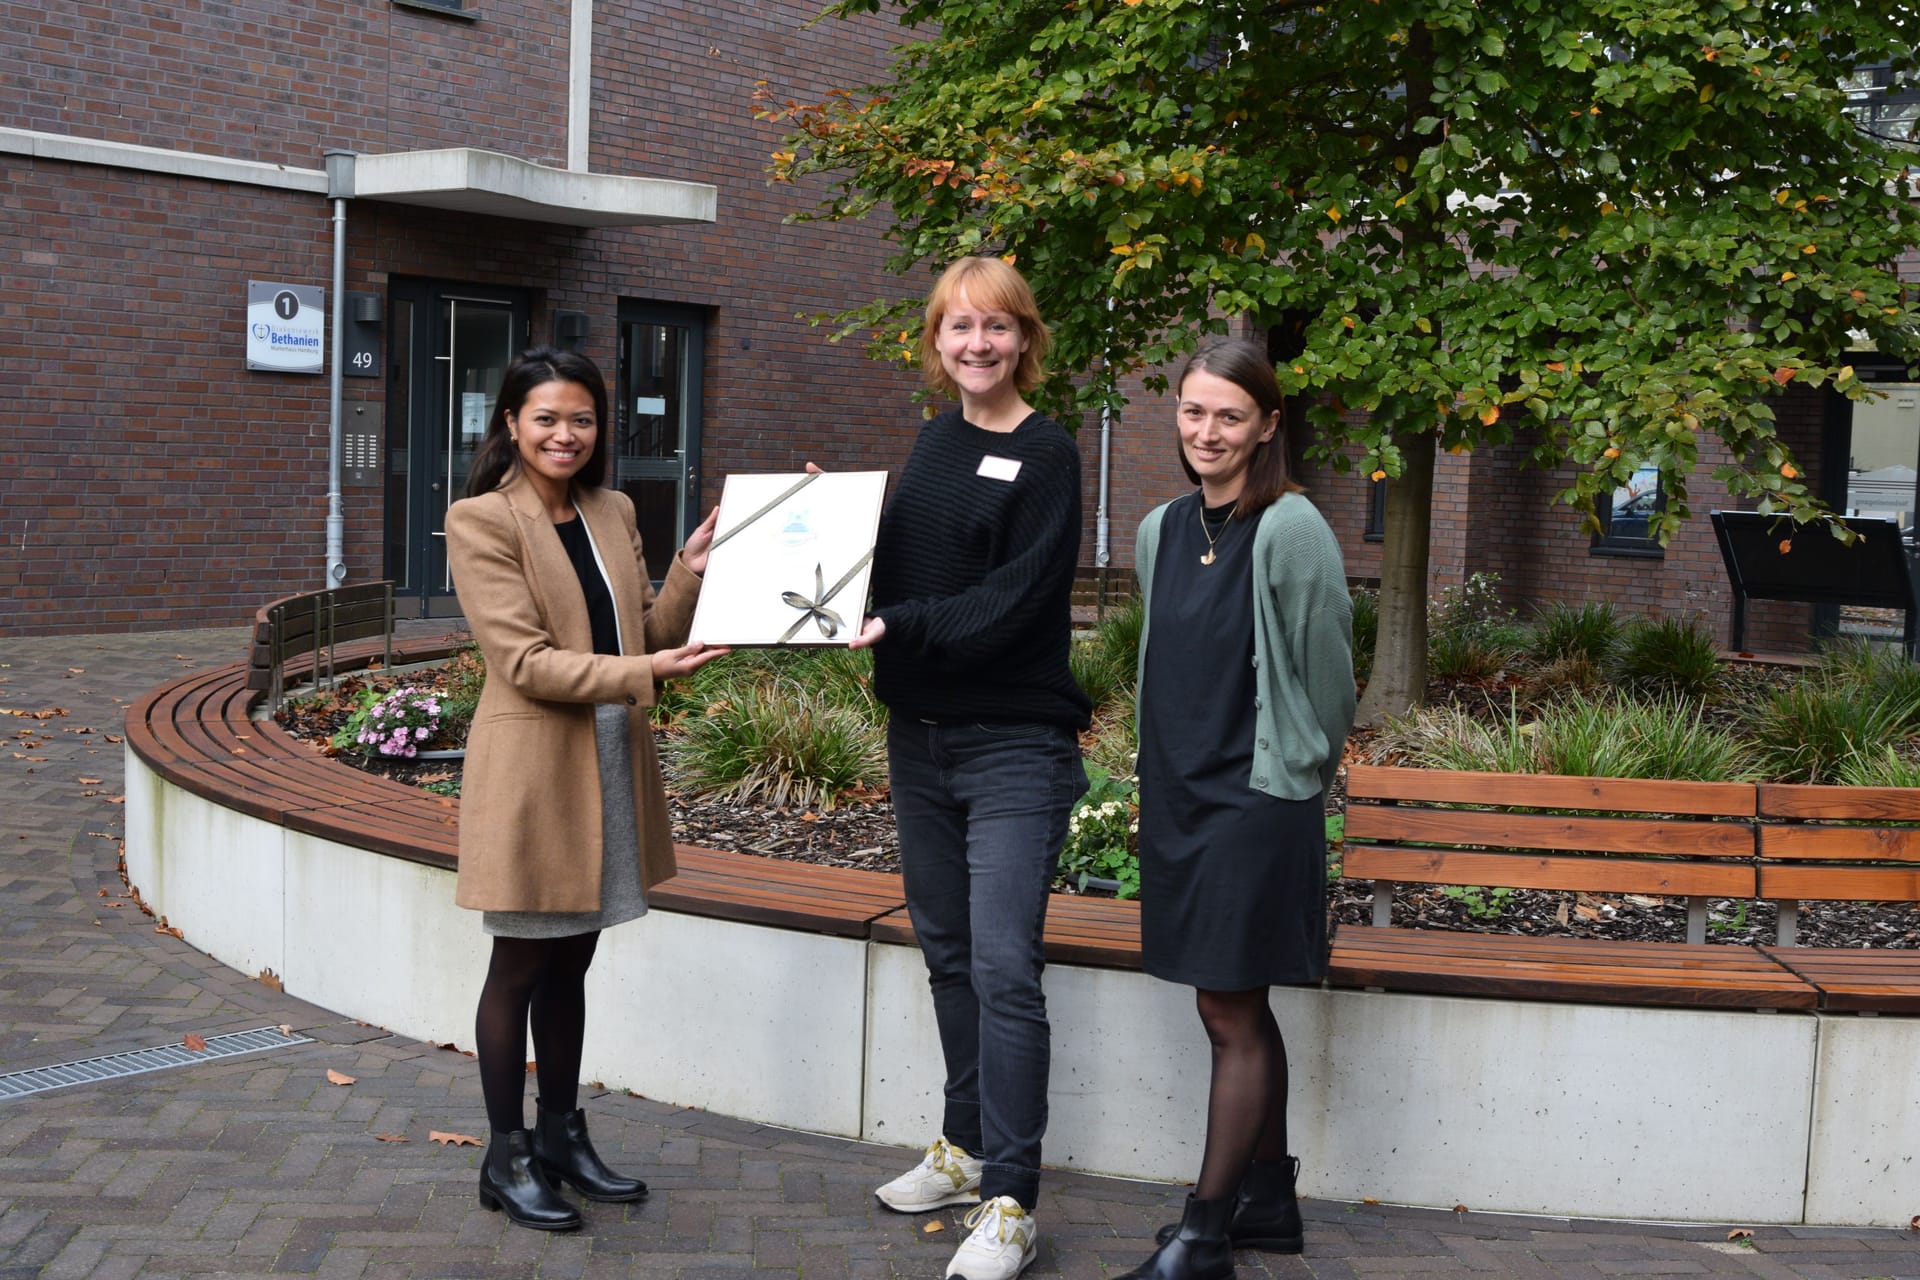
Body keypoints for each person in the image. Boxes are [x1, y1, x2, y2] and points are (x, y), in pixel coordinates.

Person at [445, 346, 725, 1232]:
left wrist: (690, 565)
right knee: (522, 961)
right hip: (534, 766)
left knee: (574, 958)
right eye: (547, 419)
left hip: (607, 748)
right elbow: (523, 661)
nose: (565, 435)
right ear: (511, 426)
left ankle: (562, 1136)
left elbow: (647, 629)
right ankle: (505, 1152)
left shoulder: (613, 509)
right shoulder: (482, 519)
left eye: (582, 420)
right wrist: (644, 663)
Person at [852, 256, 1091, 1280]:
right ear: (936, 341)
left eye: (996, 328)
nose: (978, 345)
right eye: (959, 328)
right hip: (922, 734)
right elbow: (897, 569)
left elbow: (1012, 605)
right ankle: (960, 1146)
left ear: (1025, 337)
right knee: (948, 953)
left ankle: (1013, 1197)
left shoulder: (1049, 455)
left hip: (1014, 746)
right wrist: (818, 533)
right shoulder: (936, 440)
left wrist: (894, 621)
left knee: (1003, 965)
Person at [1121, 339, 1355, 1280]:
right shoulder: (1159, 528)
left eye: (1229, 415)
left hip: (1257, 800)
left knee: (1227, 1007)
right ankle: (1270, 1206)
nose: (1207, 431)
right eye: (1193, 411)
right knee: (1237, 1001)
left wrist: (1296, 769)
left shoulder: (1292, 528)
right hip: (1181, 795)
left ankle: (1204, 1235)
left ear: (1266, 426)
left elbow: (1328, 673)